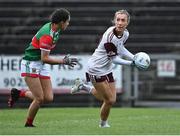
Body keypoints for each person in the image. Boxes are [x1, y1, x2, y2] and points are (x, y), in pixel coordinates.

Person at [8, 8, 78, 127]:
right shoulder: (47, 35)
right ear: (61, 22)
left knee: (48, 98)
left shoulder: (56, 29)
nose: (68, 24)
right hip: (31, 64)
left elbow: (44, 59)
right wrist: (63, 61)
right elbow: (44, 58)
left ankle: (19, 93)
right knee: (39, 99)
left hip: (40, 64)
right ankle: (28, 124)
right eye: (67, 21)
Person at [71, 9, 136, 128]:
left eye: (123, 20)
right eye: (118, 20)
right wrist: (131, 64)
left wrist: (134, 57)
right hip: (95, 69)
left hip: (107, 68)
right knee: (109, 100)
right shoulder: (110, 36)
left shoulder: (125, 33)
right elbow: (114, 59)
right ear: (114, 21)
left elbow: (120, 49)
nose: (120, 23)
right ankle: (103, 124)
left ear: (127, 23)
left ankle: (83, 86)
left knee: (112, 99)